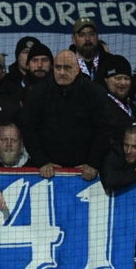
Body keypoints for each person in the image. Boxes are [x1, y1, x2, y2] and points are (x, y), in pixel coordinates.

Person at [21, 49, 111, 182]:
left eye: (67, 68)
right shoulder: (38, 93)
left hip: (86, 170)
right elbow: (28, 129)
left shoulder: (95, 93)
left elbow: (103, 131)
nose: (62, 72)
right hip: (48, 170)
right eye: (58, 67)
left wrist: (93, 163)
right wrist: (41, 161)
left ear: (77, 69)